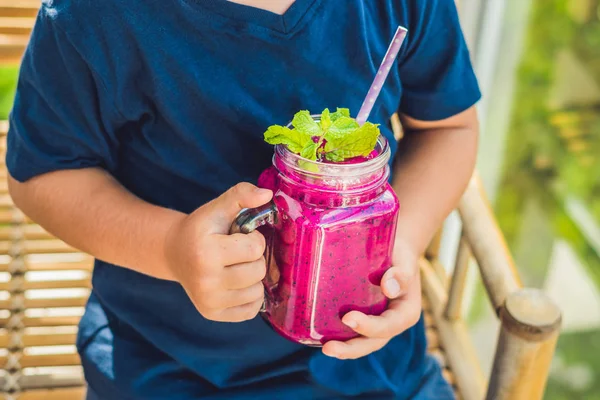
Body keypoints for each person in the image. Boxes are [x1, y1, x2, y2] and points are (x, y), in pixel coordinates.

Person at [6, 0, 481, 398]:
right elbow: (43, 174)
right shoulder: (91, 16)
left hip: (371, 364)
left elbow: (449, 128)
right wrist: (170, 246)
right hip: (168, 364)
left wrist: (402, 243)